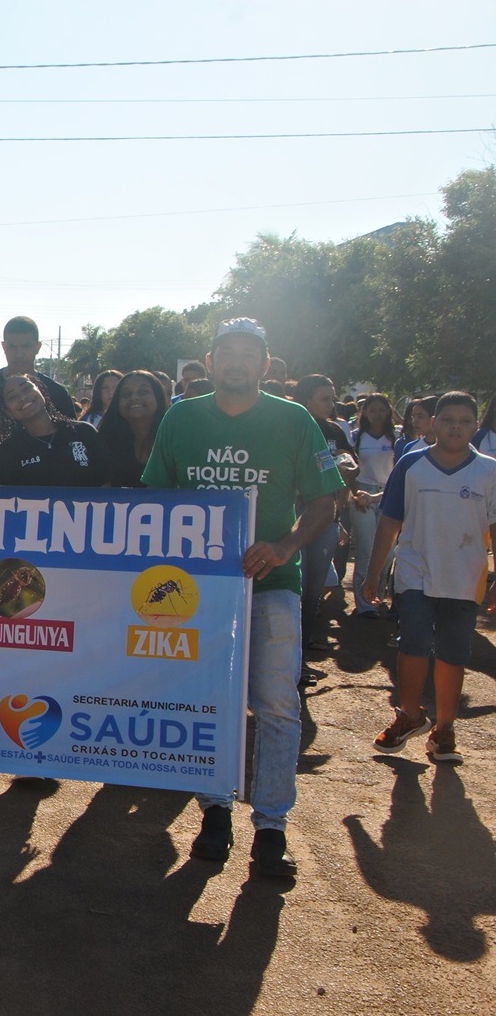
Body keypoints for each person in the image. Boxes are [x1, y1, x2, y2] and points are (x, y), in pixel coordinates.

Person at [142, 318, 345, 877]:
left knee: (277, 706)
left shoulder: (294, 419)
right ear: (210, 363)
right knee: (207, 702)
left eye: (247, 353)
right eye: (226, 352)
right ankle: (214, 810)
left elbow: (326, 500)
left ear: (265, 364)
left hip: (272, 587)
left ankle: (272, 827)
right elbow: (155, 498)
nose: (236, 361)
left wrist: (284, 546)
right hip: (198, 593)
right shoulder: (181, 417)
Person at [366, 392, 496, 766]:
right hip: (415, 572)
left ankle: (444, 730)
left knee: (453, 655)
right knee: (413, 644)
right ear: (434, 423)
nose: (456, 427)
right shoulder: (411, 464)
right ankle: (410, 714)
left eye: (465, 421)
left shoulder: (488, 471)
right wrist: (373, 573)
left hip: (465, 577)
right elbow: (390, 522)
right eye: (448, 420)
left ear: (476, 427)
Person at [0, 316, 76, 482]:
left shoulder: (57, 392)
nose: (19, 354)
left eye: (26, 346)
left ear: (38, 347)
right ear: (3, 347)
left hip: (50, 490)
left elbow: (71, 442)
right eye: (12, 347)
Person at [294, 375, 359, 657]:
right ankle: (288, 654)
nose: (331, 404)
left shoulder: (335, 431)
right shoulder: (291, 427)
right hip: (294, 517)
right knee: (295, 587)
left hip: (327, 519)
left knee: (313, 590)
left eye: (333, 399)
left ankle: (303, 650)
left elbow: (351, 465)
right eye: (324, 399)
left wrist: (347, 471)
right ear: (307, 399)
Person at [0, 373, 110, 487]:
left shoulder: (84, 433)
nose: (22, 397)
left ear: (41, 391)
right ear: (8, 412)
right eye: (12, 397)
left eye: (26, 388)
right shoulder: (9, 450)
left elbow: (106, 484)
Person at [348, 393, 399, 617]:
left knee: (388, 552)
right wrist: (355, 493)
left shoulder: (397, 437)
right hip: (362, 496)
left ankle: (377, 594)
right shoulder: (356, 438)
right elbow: (347, 469)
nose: (377, 415)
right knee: (366, 549)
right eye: (372, 411)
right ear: (364, 413)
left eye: (382, 410)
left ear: (389, 412)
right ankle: (365, 604)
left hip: (389, 495)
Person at [98, 370, 169, 488]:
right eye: (126, 394)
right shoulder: (106, 443)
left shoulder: (173, 439)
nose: (134, 398)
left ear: (158, 397)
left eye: (143, 392)